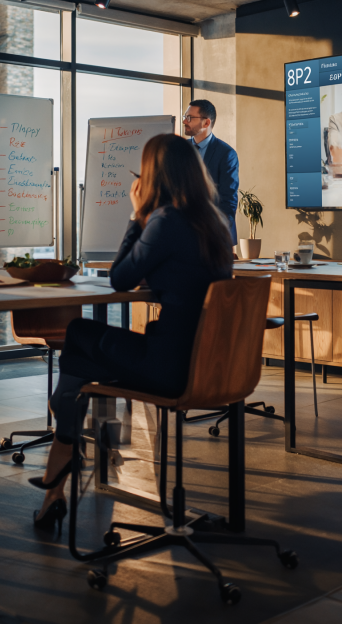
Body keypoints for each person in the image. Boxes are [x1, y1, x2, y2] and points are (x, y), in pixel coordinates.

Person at [30, 132, 233, 532]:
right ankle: (69, 451)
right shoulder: (215, 221)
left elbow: (121, 278)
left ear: (154, 175)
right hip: (209, 364)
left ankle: (64, 441)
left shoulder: (165, 220)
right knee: (85, 344)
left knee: (79, 335)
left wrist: (135, 213)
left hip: (170, 368)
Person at [183, 99, 239, 243]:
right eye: (185, 116)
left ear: (206, 123)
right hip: (184, 234)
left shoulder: (226, 154)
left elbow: (228, 201)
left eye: (189, 118)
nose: (185, 121)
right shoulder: (180, 149)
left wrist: (214, 234)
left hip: (213, 237)